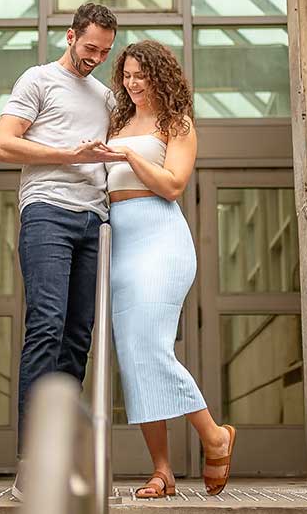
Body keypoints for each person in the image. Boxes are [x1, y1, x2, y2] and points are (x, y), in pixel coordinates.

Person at [0, 2, 125, 502]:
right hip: (47, 210)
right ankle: (32, 462)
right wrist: (70, 154)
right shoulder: (38, 79)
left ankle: (62, 455)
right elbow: (3, 145)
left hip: (96, 221)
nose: (96, 57)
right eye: (90, 47)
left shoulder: (107, 96)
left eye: (105, 52)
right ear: (70, 36)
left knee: (78, 337)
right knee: (45, 324)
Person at [104, 40, 235, 498]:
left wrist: (129, 157)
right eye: (127, 75)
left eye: (141, 74)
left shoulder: (176, 125)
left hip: (161, 240)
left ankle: (214, 435)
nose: (132, 83)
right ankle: (162, 472)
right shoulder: (117, 122)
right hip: (120, 246)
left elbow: (173, 186)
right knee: (135, 358)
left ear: (160, 75)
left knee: (152, 347)